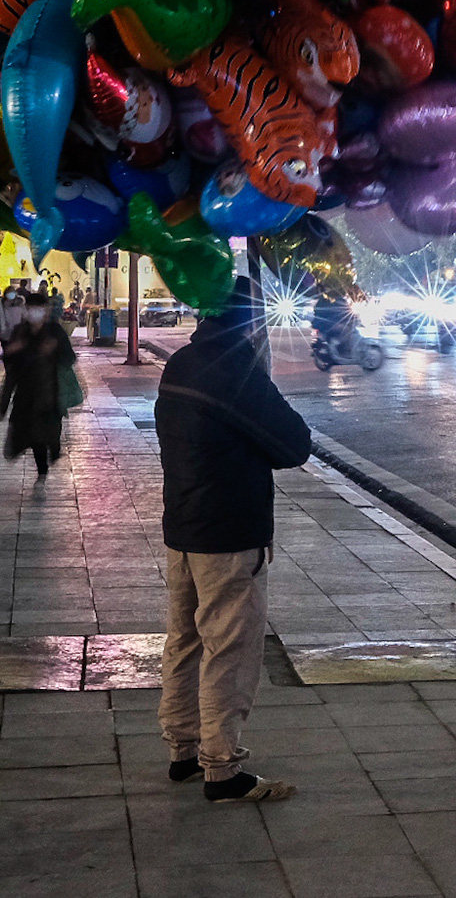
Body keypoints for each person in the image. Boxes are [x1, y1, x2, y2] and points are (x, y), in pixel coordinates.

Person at [155, 277, 311, 803]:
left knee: (184, 640)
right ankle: (222, 767)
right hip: (228, 532)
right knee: (229, 647)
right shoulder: (236, 374)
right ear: (251, 321)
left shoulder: (181, 364)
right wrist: (261, 378)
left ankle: (183, 749)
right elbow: (293, 444)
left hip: (183, 526)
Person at [0, 292, 75, 476]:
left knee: (49, 432)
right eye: (32, 309)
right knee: (33, 435)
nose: (35, 313)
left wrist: (53, 350)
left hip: (51, 392)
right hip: (26, 394)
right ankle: (42, 470)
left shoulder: (55, 331)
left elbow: (69, 357)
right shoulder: (20, 332)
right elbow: (11, 367)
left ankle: (53, 451)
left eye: (39, 309)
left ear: (46, 311)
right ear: (26, 310)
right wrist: (11, 351)